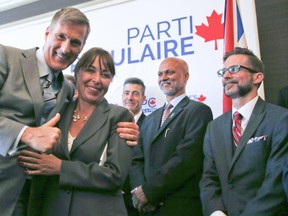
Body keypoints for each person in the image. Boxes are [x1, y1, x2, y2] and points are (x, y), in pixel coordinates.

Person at [0, 8, 138, 216]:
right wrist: (26, 133)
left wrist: (126, 124)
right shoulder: (6, 57)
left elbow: (94, 111)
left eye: (75, 43)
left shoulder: (66, 90)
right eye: (60, 36)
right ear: (47, 32)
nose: (65, 48)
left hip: (31, 198)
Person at [19, 47, 134, 216]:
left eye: (105, 75)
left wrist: (61, 167)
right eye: (90, 70)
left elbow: (115, 176)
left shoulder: (119, 116)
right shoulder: (58, 111)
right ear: (78, 72)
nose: (97, 80)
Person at [200, 47, 288, 216]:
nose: (226, 76)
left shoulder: (281, 119)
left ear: (257, 76)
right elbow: (208, 179)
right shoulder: (214, 127)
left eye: (234, 69)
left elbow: (275, 182)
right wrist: (216, 212)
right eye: (223, 71)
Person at [130, 57, 213, 215]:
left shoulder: (199, 111)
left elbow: (186, 158)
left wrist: (149, 191)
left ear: (186, 76)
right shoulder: (150, 119)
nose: (163, 78)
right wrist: (139, 193)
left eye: (170, 72)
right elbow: (136, 160)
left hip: (179, 207)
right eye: (160, 74)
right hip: (147, 208)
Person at [122, 77, 147, 215]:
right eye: (126, 93)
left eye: (135, 93)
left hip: (138, 202)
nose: (130, 97)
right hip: (111, 199)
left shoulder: (151, 125)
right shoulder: (111, 124)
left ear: (144, 99)